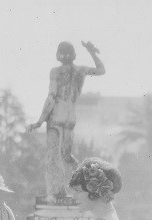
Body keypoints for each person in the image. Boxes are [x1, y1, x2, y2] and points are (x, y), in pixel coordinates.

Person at [28, 41, 105, 201]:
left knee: (52, 156)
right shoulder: (80, 70)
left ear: (58, 55)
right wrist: (92, 52)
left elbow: (51, 97)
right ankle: (84, 185)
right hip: (70, 118)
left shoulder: (56, 71)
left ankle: (55, 193)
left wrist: (40, 121)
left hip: (56, 116)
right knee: (67, 156)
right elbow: (101, 70)